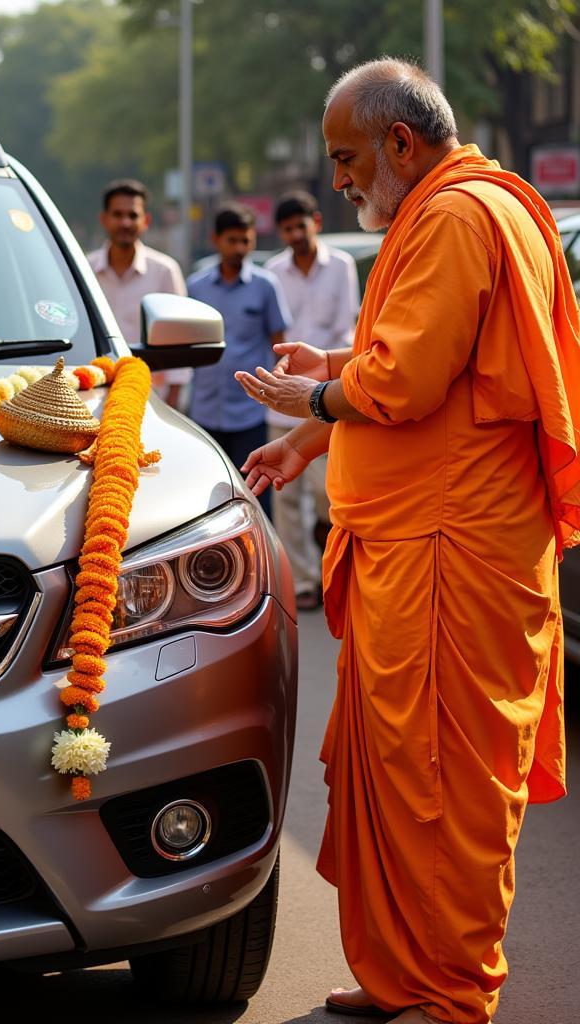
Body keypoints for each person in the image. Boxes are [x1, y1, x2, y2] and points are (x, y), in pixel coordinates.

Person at [235, 58, 575, 1024]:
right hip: (423, 547)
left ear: (400, 142)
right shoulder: (454, 208)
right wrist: (328, 390)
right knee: (400, 769)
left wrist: (320, 397)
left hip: (451, 553)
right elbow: (444, 358)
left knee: (444, 780)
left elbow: (411, 382)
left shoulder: (461, 214)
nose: (338, 179)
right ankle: (405, 978)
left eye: (346, 158)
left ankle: (452, 992)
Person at [265, 191, 360, 610]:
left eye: (300, 226)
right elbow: (274, 333)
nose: (295, 235)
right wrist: (289, 375)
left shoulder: (339, 266)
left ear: (315, 222)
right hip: (287, 392)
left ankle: (331, 561)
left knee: (329, 489)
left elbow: (347, 326)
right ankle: (304, 581)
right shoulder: (272, 270)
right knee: (286, 495)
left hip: (330, 389)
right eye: (287, 229)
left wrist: (322, 371)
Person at [187, 203, 290, 519]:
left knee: (256, 496)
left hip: (250, 413)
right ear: (215, 239)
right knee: (207, 498)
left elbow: (279, 345)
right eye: (232, 240)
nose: (239, 248)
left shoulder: (265, 285)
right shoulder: (196, 287)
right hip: (205, 411)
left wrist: (278, 392)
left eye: (245, 240)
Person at [87, 179, 189, 407]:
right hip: (91, 394)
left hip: (152, 398)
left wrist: (173, 402)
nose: (125, 222)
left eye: (132, 215)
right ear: (104, 219)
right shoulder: (84, 270)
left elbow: (180, 340)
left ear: (146, 221)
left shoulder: (164, 271)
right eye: (118, 214)